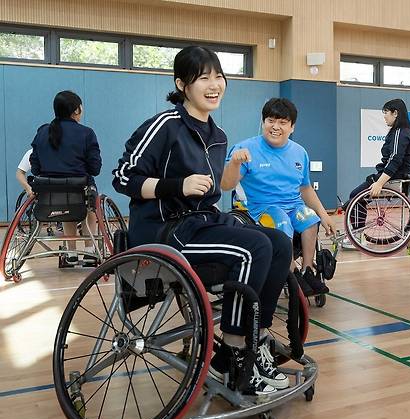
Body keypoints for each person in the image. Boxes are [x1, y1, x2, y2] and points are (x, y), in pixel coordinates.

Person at [112, 46, 291, 395]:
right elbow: (122, 177)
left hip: (201, 223)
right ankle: (236, 352)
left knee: (280, 243)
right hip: (164, 231)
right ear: (182, 84)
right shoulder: (165, 125)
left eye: (218, 76)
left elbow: (220, 188)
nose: (214, 84)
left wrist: (233, 169)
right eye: (203, 77)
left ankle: (259, 338)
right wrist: (176, 185)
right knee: (252, 248)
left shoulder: (218, 136)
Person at [221, 98, 335, 296]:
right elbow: (225, 185)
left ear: (292, 127)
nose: (275, 127)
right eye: (270, 120)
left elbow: (306, 188)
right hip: (260, 209)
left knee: (310, 219)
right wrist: (234, 164)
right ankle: (291, 275)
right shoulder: (245, 149)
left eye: (282, 122)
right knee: (282, 222)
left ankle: (307, 271)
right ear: (263, 122)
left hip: (293, 206)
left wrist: (324, 215)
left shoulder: (300, 152)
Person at [30, 90, 102, 267]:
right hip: (79, 190)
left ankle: (70, 253)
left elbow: (35, 167)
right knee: (88, 203)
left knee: (64, 201)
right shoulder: (86, 133)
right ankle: (89, 252)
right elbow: (95, 168)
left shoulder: (42, 132)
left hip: (49, 193)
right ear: (76, 110)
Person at [343, 98, 410, 247]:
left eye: (386, 113)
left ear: (395, 113)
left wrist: (379, 183)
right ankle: (356, 231)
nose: (384, 116)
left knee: (355, 197)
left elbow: (394, 161)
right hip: (393, 175)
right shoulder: (399, 132)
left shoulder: (401, 133)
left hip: (393, 177)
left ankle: (358, 236)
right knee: (350, 202)